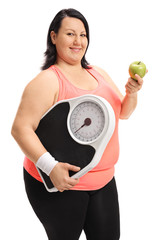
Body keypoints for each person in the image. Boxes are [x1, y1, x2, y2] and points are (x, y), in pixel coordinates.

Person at [11, 8, 146, 240]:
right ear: (54, 37)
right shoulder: (47, 81)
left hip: (104, 180)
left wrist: (131, 94)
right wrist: (51, 168)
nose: (78, 41)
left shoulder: (98, 73)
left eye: (83, 35)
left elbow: (122, 113)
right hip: (62, 183)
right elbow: (20, 128)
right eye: (70, 34)